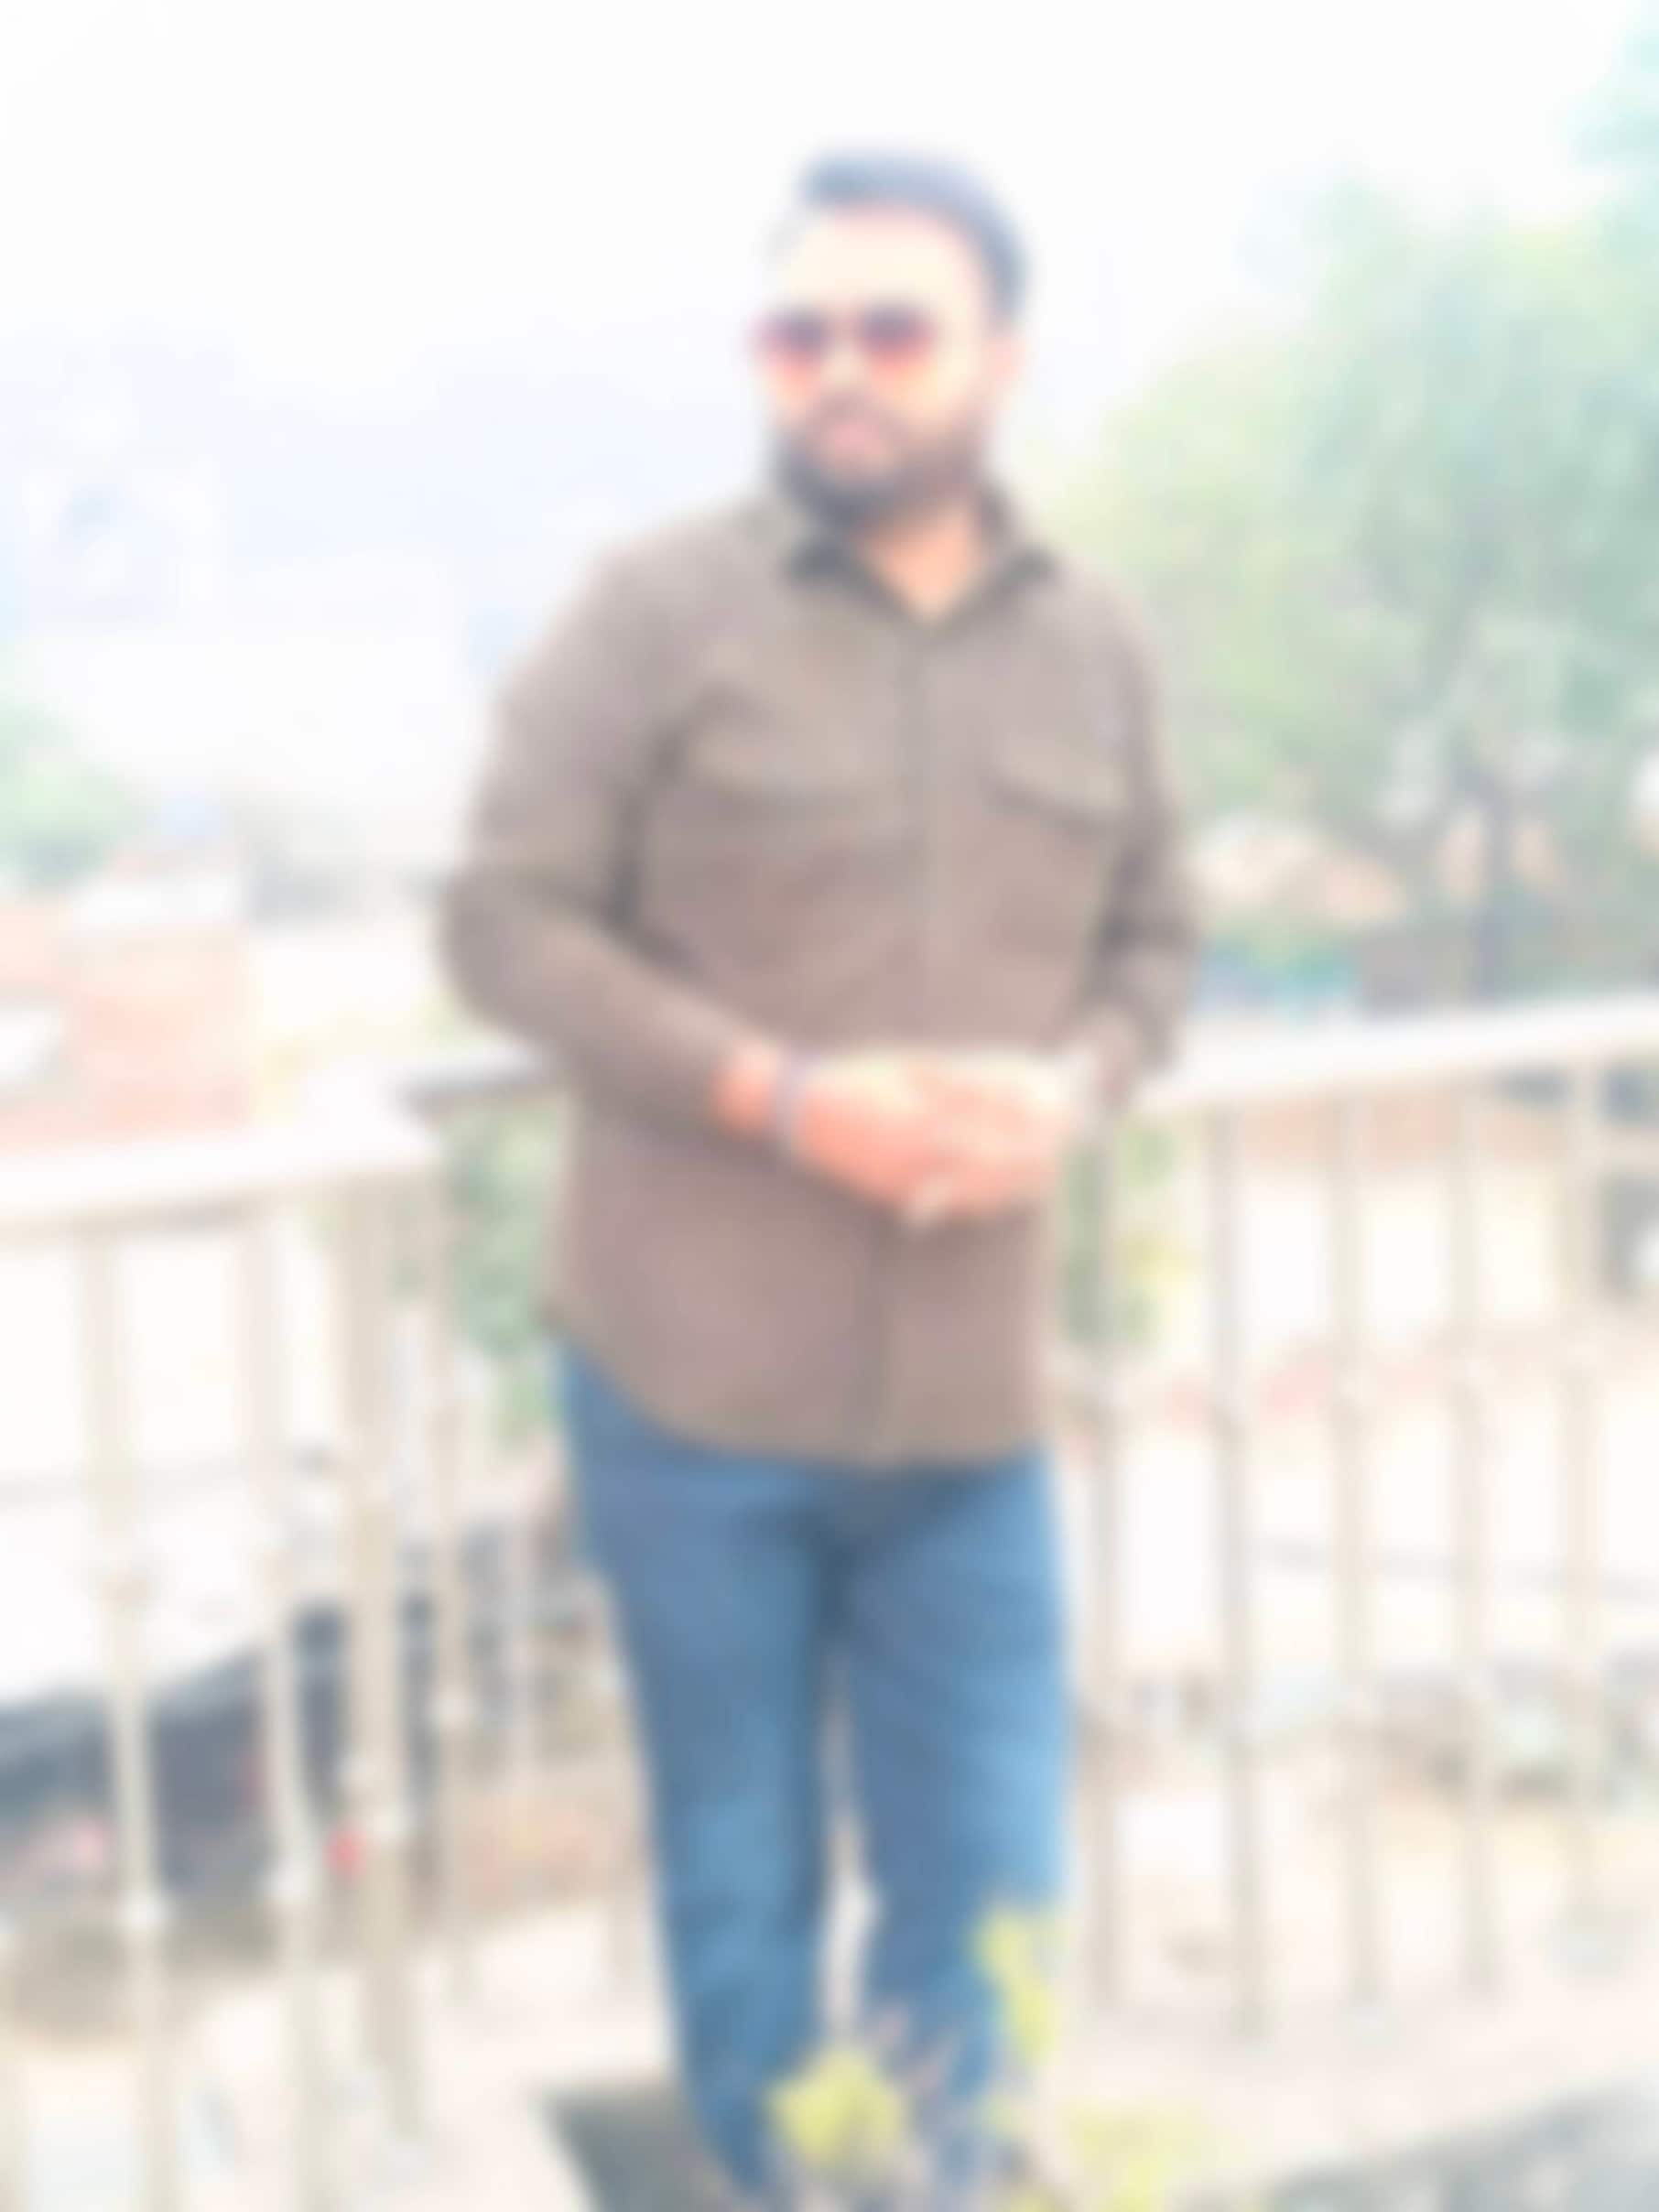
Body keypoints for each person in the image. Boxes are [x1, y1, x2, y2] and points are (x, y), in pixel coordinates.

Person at [440, 147, 1198, 2206]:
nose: (838, 369)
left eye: (891, 329)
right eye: (798, 333)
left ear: (1001, 357)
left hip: (971, 1411)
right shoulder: (651, 615)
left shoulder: (1098, 644)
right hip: (692, 1398)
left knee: (993, 1890)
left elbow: (1157, 944)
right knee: (742, 1884)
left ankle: (944, 2184)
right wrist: (781, 1097)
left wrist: (1076, 1089)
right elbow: (500, 923)